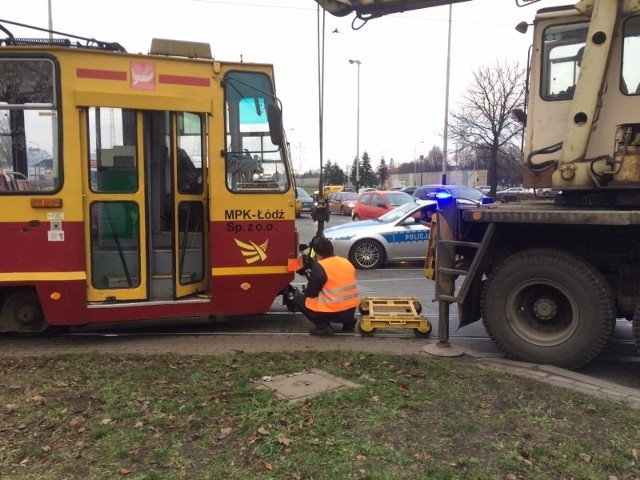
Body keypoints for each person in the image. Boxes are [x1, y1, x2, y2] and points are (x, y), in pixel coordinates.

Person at [294, 237, 360, 336]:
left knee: (299, 299)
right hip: (350, 309)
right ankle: (348, 323)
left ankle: (323, 327)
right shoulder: (346, 262)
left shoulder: (320, 266)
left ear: (317, 254)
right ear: (332, 249)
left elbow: (311, 293)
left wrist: (304, 292)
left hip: (332, 311)